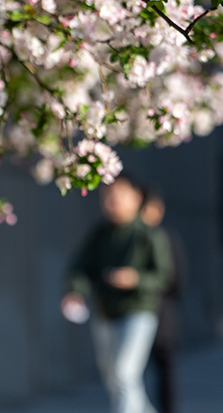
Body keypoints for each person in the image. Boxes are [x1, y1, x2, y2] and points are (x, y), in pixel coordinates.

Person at [61, 175, 174, 413]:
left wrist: (136, 278)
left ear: (136, 198)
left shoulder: (149, 235)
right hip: (105, 313)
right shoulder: (100, 234)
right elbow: (81, 267)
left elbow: (164, 276)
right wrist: (75, 292)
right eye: (108, 198)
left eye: (119, 196)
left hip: (138, 311)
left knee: (124, 373)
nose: (113, 203)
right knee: (115, 378)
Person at [140, 190, 182, 413]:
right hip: (139, 310)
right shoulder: (137, 238)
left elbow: (175, 279)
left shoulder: (165, 238)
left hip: (161, 312)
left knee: (163, 364)